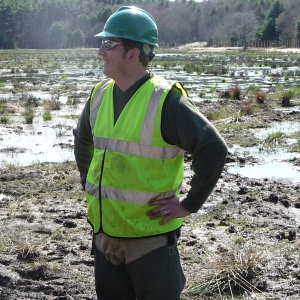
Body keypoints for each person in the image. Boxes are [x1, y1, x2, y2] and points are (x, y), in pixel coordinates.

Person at [73, 6, 227, 300]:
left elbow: (213, 148)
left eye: (108, 45)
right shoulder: (99, 94)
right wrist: (89, 184)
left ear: (132, 54)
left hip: (149, 241)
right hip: (105, 237)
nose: (100, 52)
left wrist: (189, 205)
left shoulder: (166, 100)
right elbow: (82, 140)